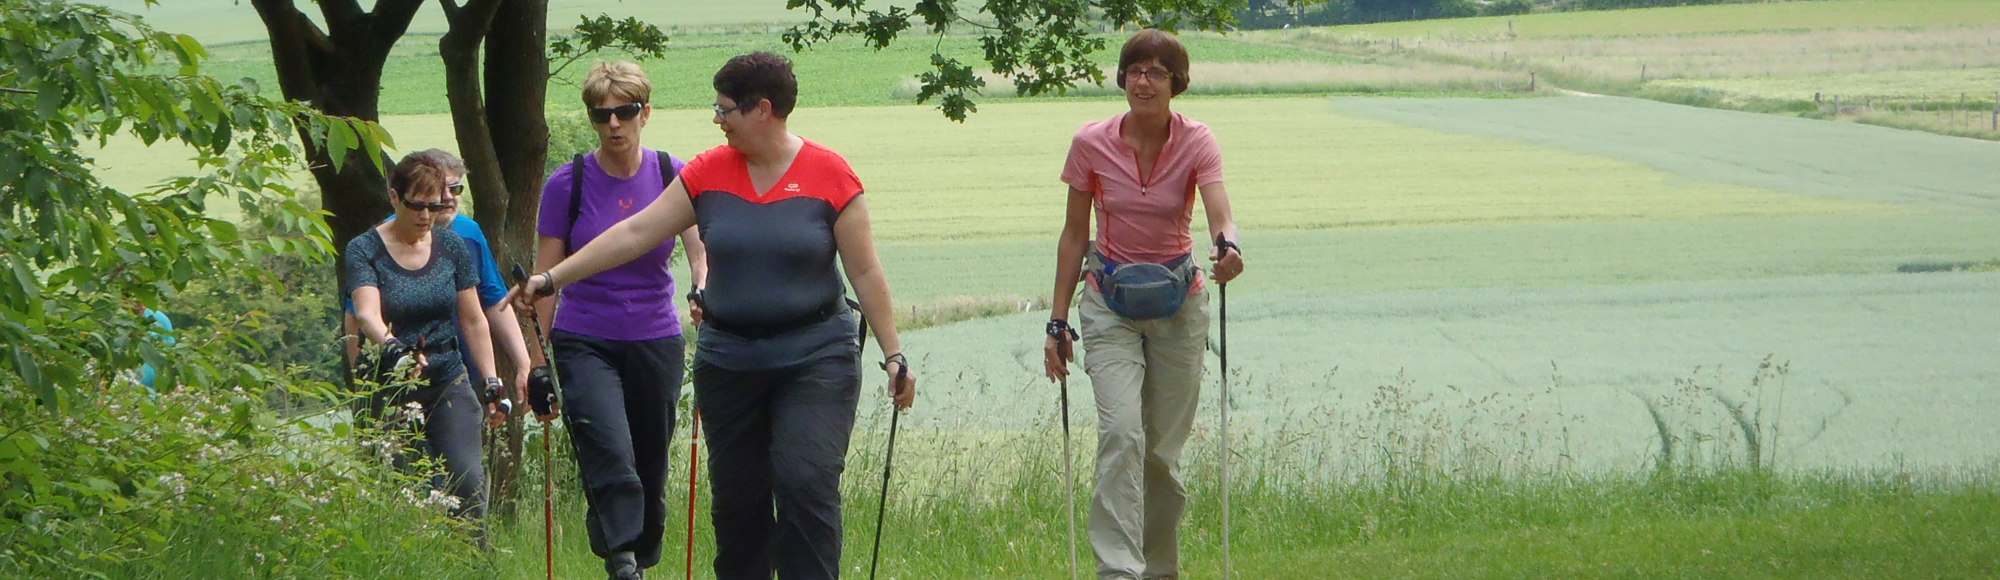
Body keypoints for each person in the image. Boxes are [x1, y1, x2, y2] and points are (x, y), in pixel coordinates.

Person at [512, 52, 918, 580]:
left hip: (815, 355)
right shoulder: (706, 172)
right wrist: (551, 279)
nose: (716, 118)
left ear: (763, 110)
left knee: (804, 483)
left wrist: (893, 355)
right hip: (731, 360)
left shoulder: (831, 174)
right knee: (739, 502)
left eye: (725, 109)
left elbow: (865, 274)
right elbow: (637, 232)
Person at [1042, 29, 1245, 580]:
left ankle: (1159, 569)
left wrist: (1229, 245)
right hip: (1108, 303)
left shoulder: (1198, 139)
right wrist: (1058, 320)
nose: (1143, 80)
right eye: (1135, 69)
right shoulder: (1091, 142)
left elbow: (1220, 213)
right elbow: (1072, 235)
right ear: (1122, 78)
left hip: (1180, 306)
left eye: (1157, 71)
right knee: (1121, 435)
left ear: (1176, 83)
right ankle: (1118, 571)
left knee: (1159, 453)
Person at [520, 60, 708, 580]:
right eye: (602, 116)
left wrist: (702, 284)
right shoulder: (568, 183)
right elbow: (544, 278)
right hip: (585, 338)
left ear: (646, 112)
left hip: (655, 336)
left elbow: (700, 250)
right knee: (607, 447)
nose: (614, 126)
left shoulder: (674, 174)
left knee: (650, 459)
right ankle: (621, 558)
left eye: (625, 113)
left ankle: (642, 556)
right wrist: (537, 364)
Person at [346, 152, 509, 536]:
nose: (425, 216)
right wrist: (392, 349)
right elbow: (366, 313)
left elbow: (472, 319)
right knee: (406, 493)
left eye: (433, 207)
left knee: (467, 485)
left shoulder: (451, 246)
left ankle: (474, 568)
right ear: (394, 198)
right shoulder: (363, 249)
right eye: (416, 205)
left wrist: (490, 381)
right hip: (390, 385)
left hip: (446, 378)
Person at [343, 149, 534, 407]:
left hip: (456, 371)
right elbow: (358, 317)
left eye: (455, 190)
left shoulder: (468, 234)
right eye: (439, 191)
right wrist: (362, 391)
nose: (447, 199)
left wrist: (523, 364)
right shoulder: (375, 244)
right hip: (398, 375)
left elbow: (492, 301)